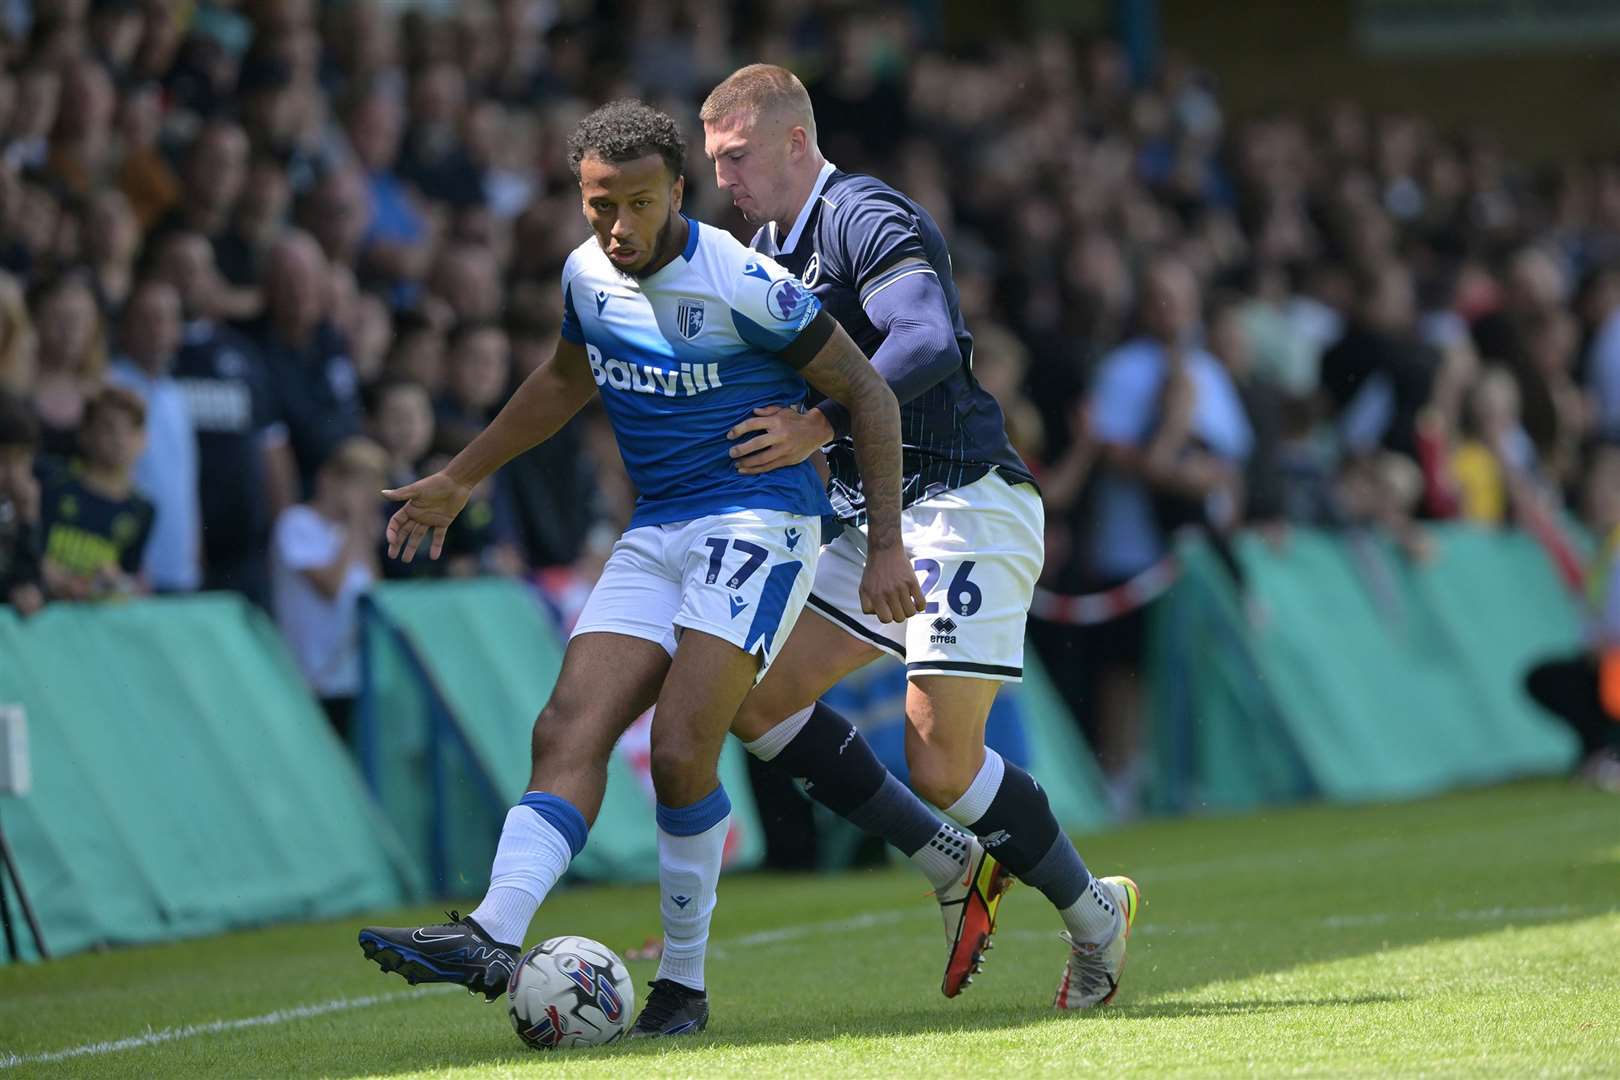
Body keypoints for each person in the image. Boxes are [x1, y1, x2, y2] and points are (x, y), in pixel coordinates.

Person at [357, 100, 918, 1038]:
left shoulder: (743, 281)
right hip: (656, 529)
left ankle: (684, 989)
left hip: (759, 521)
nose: (618, 227)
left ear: (678, 193)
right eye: (598, 204)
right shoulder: (586, 276)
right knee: (565, 724)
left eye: (639, 204)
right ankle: (493, 936)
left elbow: (867, 389)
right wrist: (460, 477)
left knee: (678, 751)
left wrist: (888, 544)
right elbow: (566, 379)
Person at [700, 64, 1138, 1011]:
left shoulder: (863, 213)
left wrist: (819, 423)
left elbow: (928, 338)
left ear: (793, 143)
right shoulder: (767, 249)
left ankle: (1095, 914)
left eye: (735, 159)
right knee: (751, 698)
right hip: (874, 515)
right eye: (714, 165)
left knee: (940, 759)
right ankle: (952, 862)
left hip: (965, 499)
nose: (725, 181)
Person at [270, 435, 387, 737]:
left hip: (351, 673)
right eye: (355, 483)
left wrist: (359, 533)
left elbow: (373, 591)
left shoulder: (352, 533)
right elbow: (329, 588)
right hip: (310, 672)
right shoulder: (296, 523)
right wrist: (353, 527)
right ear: (328, 479)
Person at [37, 385, 154, 602]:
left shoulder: (143, 510)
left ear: (144, 440)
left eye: (131, 429)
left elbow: (129, 578)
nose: (120, 439)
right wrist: (48, 574)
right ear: (85, 433)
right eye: (109, 427)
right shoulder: (50, 481)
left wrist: (116, 583)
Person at [0, 392, 44, 615]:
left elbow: (28, 582)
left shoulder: (19, 504)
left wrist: (28, 518)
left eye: (20, 459)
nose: (12, 473)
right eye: (2, 459)